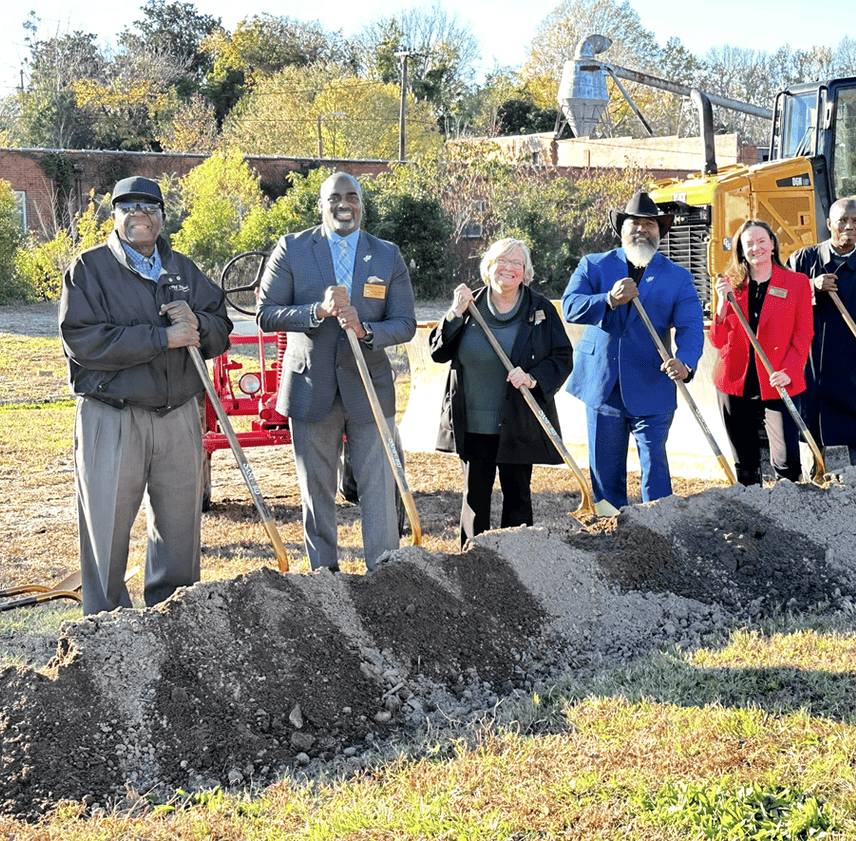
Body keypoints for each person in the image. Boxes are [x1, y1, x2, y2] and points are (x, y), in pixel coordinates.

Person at [59, 176, 233, 615]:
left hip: (177, 414)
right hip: (112, 415)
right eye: (128, 206)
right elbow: (83, 341)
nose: (140, 213)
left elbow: (220, 325)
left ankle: (173, 616)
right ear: (114, 216)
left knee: (179, 528)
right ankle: (105, 625)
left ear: (161, 215)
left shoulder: (183, 269)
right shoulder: (89, 268)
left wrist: (198, 324)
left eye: (150, 206)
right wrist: (163, 338)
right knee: (107, 528)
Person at [257, 172, 415, 571]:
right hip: (312, 387)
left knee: (377, 488)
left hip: (369, 387)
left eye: (352, 197)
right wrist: (317, 311)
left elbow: (405, 322)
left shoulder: (386, 255)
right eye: (334, 198)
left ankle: (385, 572)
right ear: (321, 205)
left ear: (362, 204)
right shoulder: (292, 248)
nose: (344, 204)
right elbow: (266, 314)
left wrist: (365, 330)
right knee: (317, 489)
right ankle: (324, 577)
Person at [561, 192, 704, 509]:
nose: (642, 229)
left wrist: (686, 362)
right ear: (621, 229)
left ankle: (658, 528)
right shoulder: (594, 265)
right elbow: (570, 307)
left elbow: (691, 326)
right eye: (634, 223)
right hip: (602, 385)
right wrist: (608, 300)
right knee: (604, 469)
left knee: (655, 464)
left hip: (652, 383)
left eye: (650, 224)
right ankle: (609, 526)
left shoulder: (677, 277)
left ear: (660, 231)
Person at [429, 238, 573, 547]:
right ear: (488, 267)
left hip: (518, 422)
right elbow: (438, 352)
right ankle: (471, 559)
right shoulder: (469, 307)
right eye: (500, 262)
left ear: (525, 272)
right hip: (473, 424)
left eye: (516, 264)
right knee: (474, 497)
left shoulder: (540, 309)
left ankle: (517, 558)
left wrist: (534, 378)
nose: (507, 269)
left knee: (517, 495)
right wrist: (455, 312)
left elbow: (562, 356)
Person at [788, 198, 856, 473]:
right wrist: (810, 287)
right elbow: (780, 302)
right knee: (810, 452)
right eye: (843, 221)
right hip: (811, 375)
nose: (850, 226)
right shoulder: (802, 261)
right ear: (829, 225)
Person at [709, 220, 813, 486]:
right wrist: (722, 304)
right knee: (745, 462)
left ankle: (788, 512)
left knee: (787, 460)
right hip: (735, 382)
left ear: (772, 243)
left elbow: (803, 335)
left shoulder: (797, 283)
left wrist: (789, 372)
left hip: (777, 380)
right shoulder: (729, 284)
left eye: (761, 241)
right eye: (748, 244)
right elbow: (717, 339)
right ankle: (752, 512)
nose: (756, 248)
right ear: (741, 251)